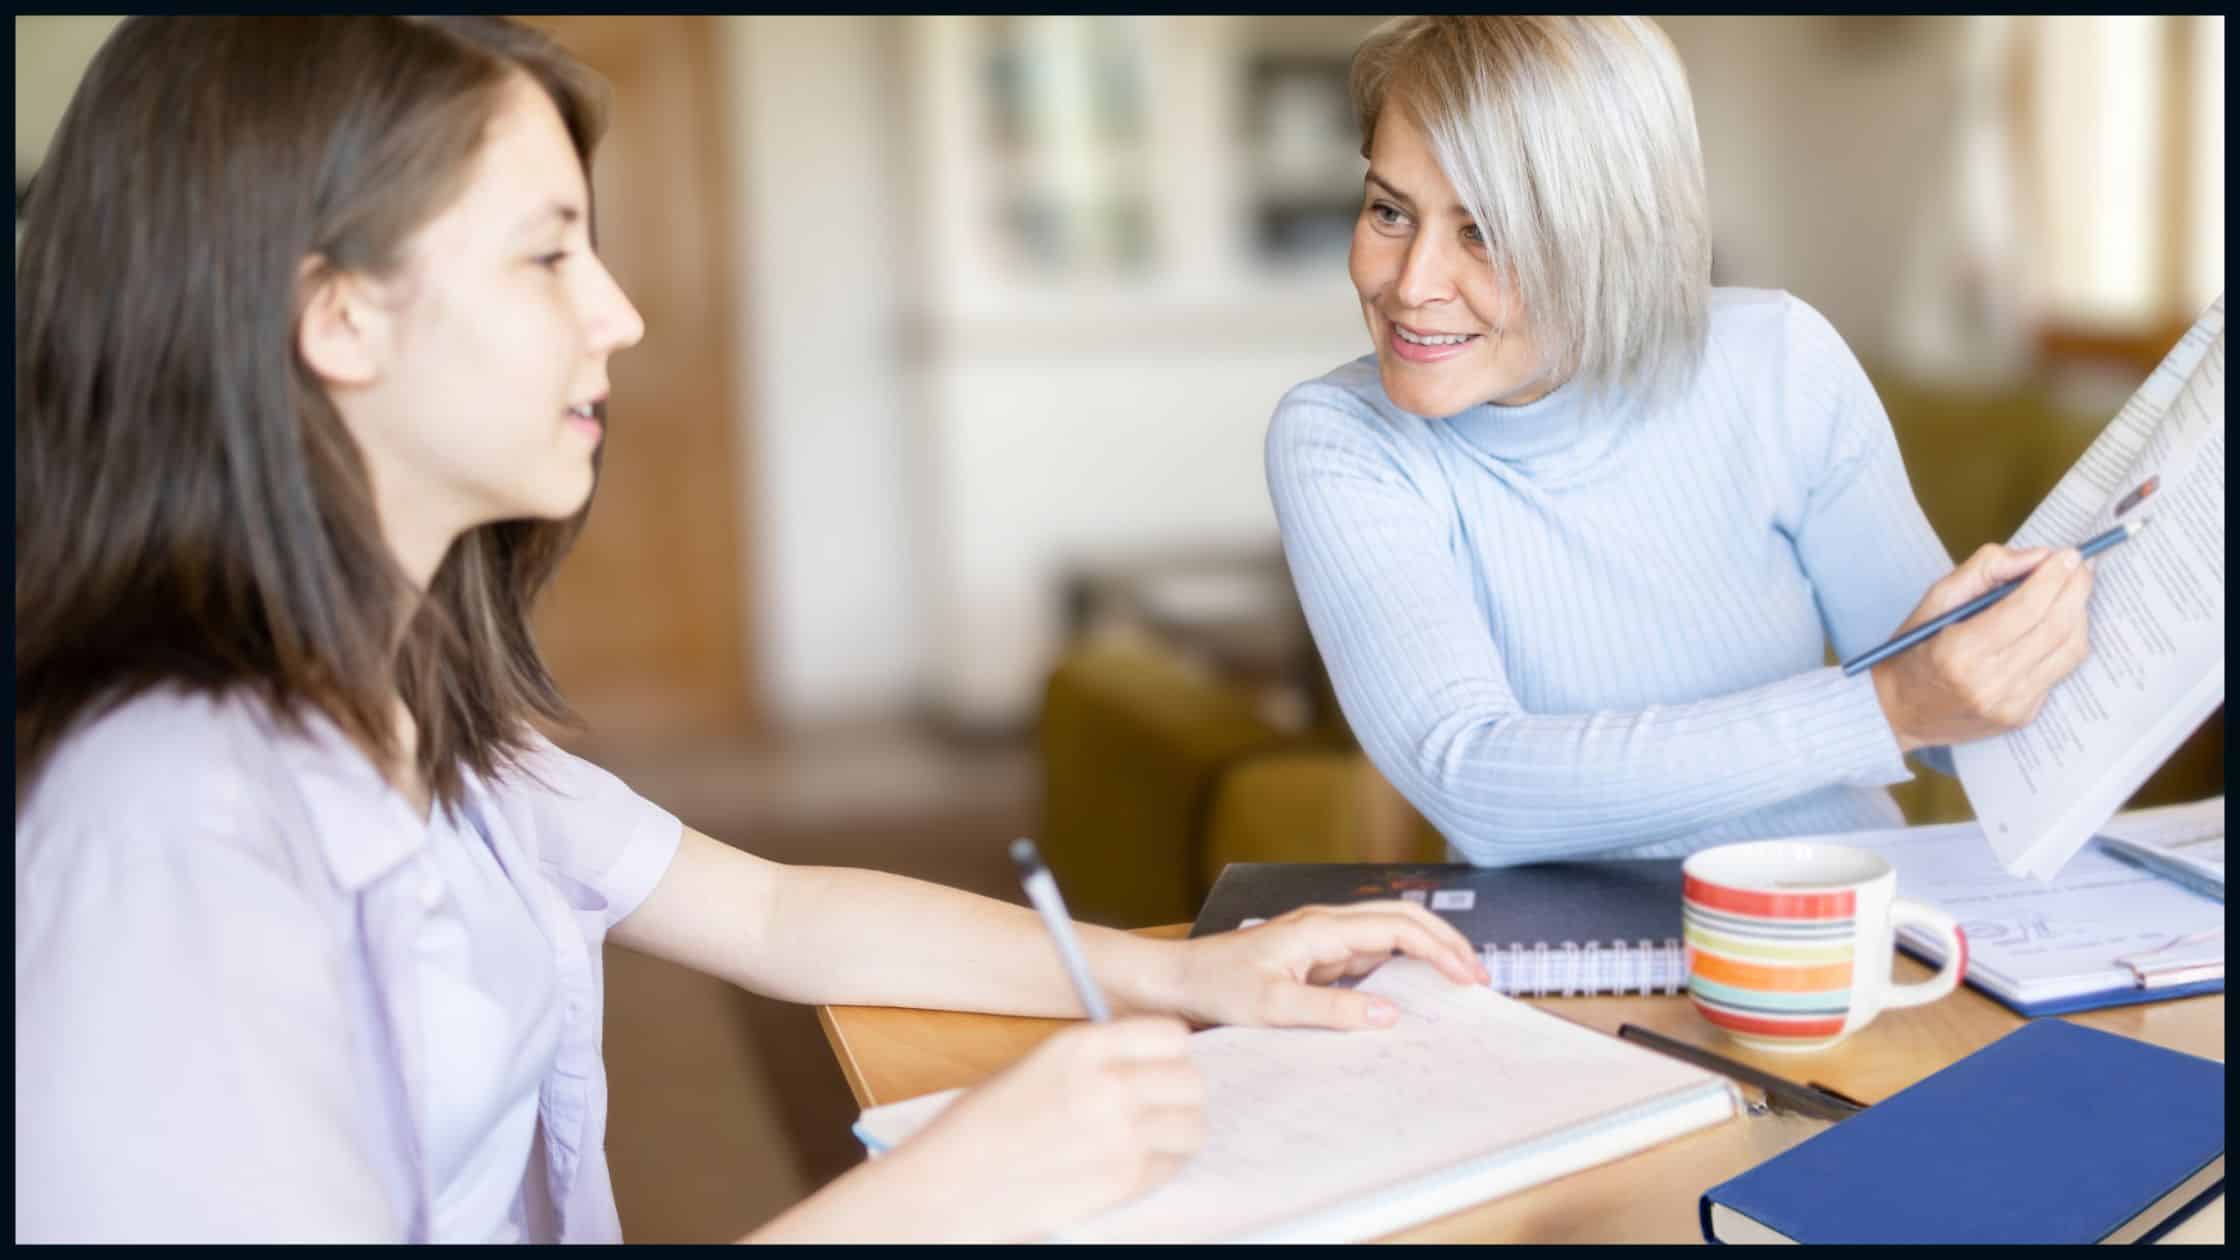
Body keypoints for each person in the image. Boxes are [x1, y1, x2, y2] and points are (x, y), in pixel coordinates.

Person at [13, 17, 1488, 1244]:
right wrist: (941, 1196)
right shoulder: (169, 833)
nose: (622, 314)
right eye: (548, 256)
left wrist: (1193, 972)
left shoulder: (412, 705)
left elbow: (775, 915)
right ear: (337, 318)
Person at [1265, 16, 2096, 867]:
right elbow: (1476, 782)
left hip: (1846, 924)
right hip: (1565, 968)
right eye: (1390, 211)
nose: (1411, 284)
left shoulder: (1777, 363)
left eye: (1484, 233)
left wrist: (2025, 648)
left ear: (1611, 237)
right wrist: (1884, 709)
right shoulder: (1342, 440)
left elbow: (1954, 727)